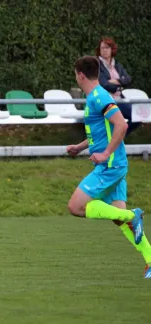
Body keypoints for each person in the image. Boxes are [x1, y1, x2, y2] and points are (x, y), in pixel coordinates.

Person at [66, 56, 149, 279]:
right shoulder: (95, 97)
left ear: (80, 75)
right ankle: (150, 259)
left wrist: (105, 154)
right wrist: (80, 147)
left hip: (110, 165)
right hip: (115, 164)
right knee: (118, 216)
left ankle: (133, 215)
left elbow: (121, 124)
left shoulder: (99, 97)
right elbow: (101, 132)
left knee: (75, 207)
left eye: (75, 74)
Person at [96, 37, 141, 136]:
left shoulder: (116, 64)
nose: (104, 50)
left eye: (107, 47)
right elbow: (104, 84)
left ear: (112, 49)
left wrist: (115, 81)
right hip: (106, 100)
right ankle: (115, 139)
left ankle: (118, 137)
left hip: (119, 99)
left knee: (138, 116)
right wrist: (119, 85)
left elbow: (128, 79)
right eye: (102, 48)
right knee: (122, 120)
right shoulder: (97, 65)